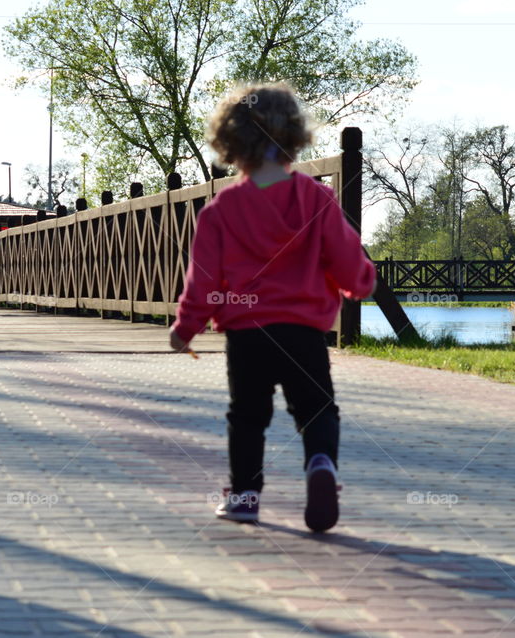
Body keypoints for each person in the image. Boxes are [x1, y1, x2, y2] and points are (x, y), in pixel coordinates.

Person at [169, 84, 377, 533]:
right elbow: (344, 256)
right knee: (318, 409)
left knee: (247, 416)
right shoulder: (316, 200)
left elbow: (203, 279)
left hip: (248, 334)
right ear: (295, 137)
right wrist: (361, 283)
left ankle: (244, 497)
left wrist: (186, 326)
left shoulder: (221, 210)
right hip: (303, 330)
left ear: (230, 142)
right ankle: (320, 464)